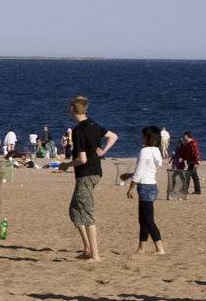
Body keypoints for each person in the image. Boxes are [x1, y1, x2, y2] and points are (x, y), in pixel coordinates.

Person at [67, 95, 118, 261]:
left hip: (86, 174)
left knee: (87, 214)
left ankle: (96, 255)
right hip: (94, 172)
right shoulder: (94, 124)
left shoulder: (79, 130)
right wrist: (104, 150)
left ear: (74, 110)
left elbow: (82, 159)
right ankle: (87, 248)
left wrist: (66, 165)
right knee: (74, 210)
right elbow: (113, 136)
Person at [128, 126, 165, 255]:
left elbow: (139, 172)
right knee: (143, 219)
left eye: (143, 135)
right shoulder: (156, 151)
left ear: (148, 137)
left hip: (145, 187)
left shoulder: (145, 151)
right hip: (152, 186)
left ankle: (160, 249)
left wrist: (131, 188)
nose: (141, 137)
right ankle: (141, 248)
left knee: (148, 220)